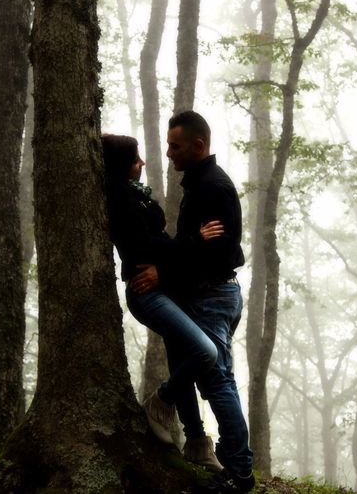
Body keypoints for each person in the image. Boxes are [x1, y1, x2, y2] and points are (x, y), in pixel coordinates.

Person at [130, 111, 255, 493]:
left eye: (175, 146)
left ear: (198, 146)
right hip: (209, 294)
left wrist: (164, 273)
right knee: (209, 374)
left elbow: (214, 256)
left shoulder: (212, 188)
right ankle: (201, 447)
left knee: (218, 380)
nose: (168, 153)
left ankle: (239, 472)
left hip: (213, 295)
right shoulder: (199, 184)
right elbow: (193, 246)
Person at [100, 133, 223, 473]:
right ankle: (159, 402)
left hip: (165, 287)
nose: (142, 163)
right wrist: (194, 242)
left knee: (182, 356)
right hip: (146, 293)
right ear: (122, 166)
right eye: (135, 158)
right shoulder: (121, 199)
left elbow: (158, 247)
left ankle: (197, 443)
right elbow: (145, 247)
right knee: (205, 352)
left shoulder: (134, 196)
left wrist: (167, 261)